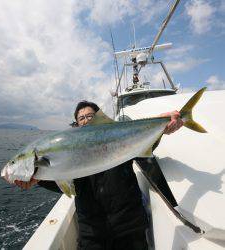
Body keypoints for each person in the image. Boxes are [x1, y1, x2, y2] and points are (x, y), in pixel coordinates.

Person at [15, 101, 183, 250]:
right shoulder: (71, 155)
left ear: (99, 119)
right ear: (77, 125)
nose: (86, 119)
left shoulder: (118, 141)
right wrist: (38, 179)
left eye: (90, 116)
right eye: (81, 118)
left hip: (129, 228)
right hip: (92, 234)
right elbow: (63, 181)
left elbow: (142, 146)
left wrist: (163, 125)